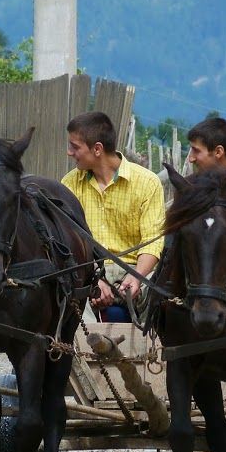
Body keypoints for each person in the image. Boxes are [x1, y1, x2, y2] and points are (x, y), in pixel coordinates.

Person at [61, 111, 165, 320]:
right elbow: (67, 242)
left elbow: (152, 242)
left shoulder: (147, 182)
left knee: (159, 294)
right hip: (87, 270)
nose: (69, 152)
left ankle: (151, 350)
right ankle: (86, 350)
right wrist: (93, 279)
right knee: (70, 296)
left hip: (138, 269)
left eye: (75, 146)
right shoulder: (70, 183)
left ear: (97, 149)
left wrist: (135, 278)